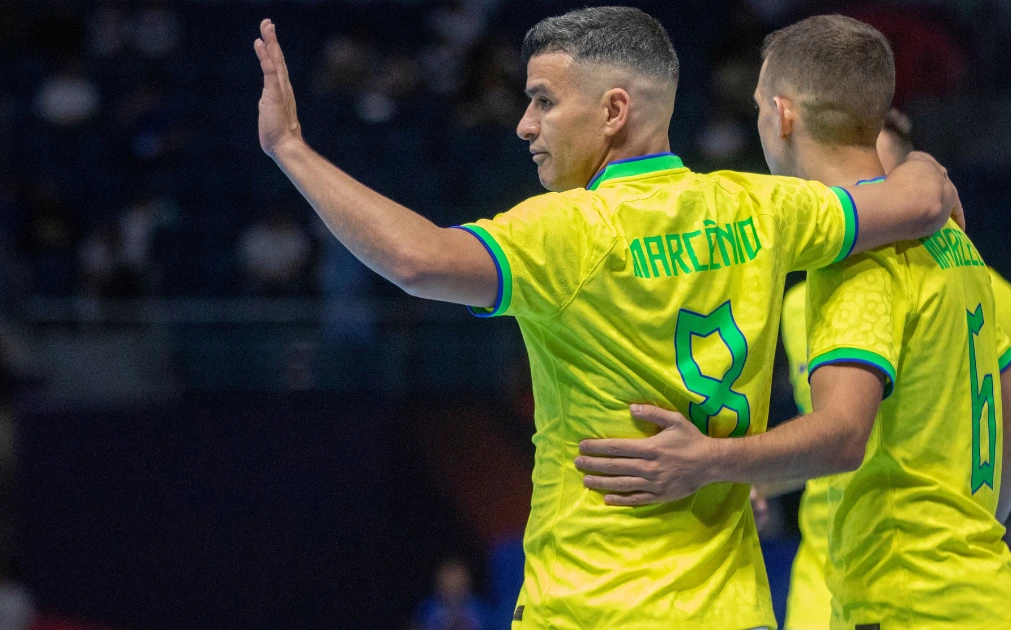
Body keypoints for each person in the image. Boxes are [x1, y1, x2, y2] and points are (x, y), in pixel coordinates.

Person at [254, 8, 959, 627]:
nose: (525, 124)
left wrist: (291, 149)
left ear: (615, 111)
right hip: (728, 609)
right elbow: (919, 200)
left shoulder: (570, 232)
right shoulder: (761, 208)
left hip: (593, 605)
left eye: (543, 101)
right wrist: (925, 161)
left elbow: (414, 260)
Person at [574, 16, 1011, 629]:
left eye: (759, 107)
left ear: (783, 115)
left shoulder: (858, 259)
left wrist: (705, 460)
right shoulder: (953, 240)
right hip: (990, 596)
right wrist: (973, 539)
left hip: (907, 604)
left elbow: (843, 436)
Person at [777, 110, 1011, 629]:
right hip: (828, 586)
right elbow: (847, 443)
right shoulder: (800, 300)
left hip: (912, 585)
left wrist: (955, 444)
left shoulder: (977, 283)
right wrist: (751, 485)